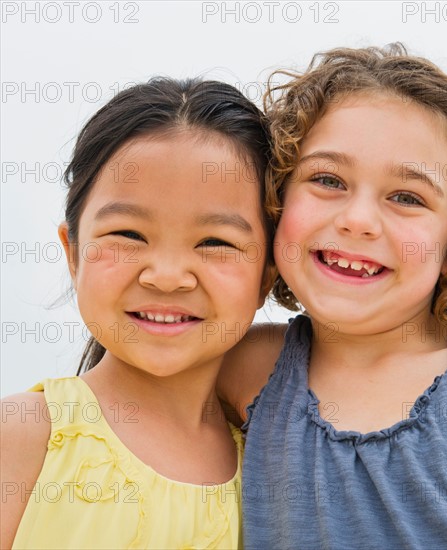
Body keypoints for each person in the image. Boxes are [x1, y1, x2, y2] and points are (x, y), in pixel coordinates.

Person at [217, 45, 447, 549]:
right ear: (277, 200)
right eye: (327, 180)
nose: (358, 220)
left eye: (406, 197)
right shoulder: (241, 367)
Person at [0, 77, 275, 549]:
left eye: (215, 243)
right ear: (74, 253)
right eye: (127, 235)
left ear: (267, 277)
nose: (167, 276)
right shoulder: (24, 436)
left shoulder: (274, 469)